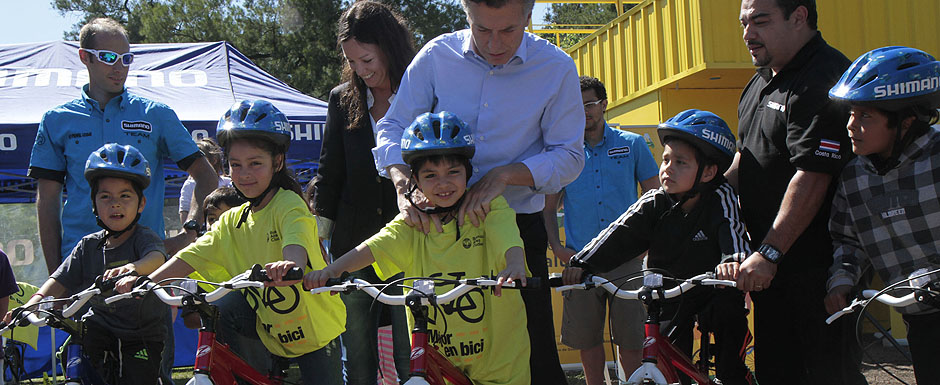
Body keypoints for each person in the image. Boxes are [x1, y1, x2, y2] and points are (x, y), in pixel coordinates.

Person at [372, 0, 584, 381]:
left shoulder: (556, 67)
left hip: (516, 230)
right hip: (436, 232)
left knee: (535, 359)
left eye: (509, 31)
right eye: (482, 29)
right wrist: (402, 183)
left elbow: (570, 155)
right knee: (440, 354)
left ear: (529, 18)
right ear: (466, 14)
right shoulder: (437, 56)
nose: (494, 44)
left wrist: (505, 176)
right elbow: (392, 126)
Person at [116, 100, 346, 385]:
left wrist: (290, 264)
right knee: (221, 303)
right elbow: (190, 256)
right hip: (271, 332)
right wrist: (146, 282)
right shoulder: (232, 220)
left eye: (255, 163)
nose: (244, 174)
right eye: (235, 165)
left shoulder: (288, 204)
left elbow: (295, 243)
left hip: (316, 334)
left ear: (277, 162)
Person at [306, 111, 531, 385]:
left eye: (453, 172)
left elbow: (508, 238)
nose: (443, 183)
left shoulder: (488, 208)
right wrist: (331, 271)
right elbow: (375, 246)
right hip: (435, 361)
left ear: (468, 172)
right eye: (431, 175)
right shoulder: (414, 221)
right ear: (415, 180)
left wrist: (514, 265)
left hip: (498, 360)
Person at [564, 110, 753, 385]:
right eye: (665, 160)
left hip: (714, 288)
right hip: (670, 292)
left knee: (729, 331)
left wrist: (733, 260)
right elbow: (617, 233)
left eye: (680, 162)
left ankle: (734, 375)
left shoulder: (720, 196)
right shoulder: (654, 201)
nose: (668, 169)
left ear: (709, 172)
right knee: (667, 360)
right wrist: (581, 263)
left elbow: (733, 233)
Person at [731, 1, 867, 383]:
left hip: (819, 271)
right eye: (744, 23)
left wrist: (770, 251)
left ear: (799, 17)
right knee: (777, 374)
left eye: (760, 21)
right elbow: (746, 159)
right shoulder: (760, 80)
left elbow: (814, 174)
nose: (748, 34)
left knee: (829, 376)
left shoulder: (825, 76)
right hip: (769, 270)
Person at [28, 17, 217, 277]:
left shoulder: (156, 114)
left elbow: (206, 175)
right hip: (80, 264)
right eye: (108, 57)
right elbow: (48, 201)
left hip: (145, 262)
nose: (119, 67)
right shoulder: (56, 120)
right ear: (84, 57)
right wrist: (57, 274)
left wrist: (189, 232)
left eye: (126, 59)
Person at [310, 2, 415, 382]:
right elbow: (329, 173)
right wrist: (321, 238)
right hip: (351, 246)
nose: (361, 70)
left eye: (367, 59)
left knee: (411, 350)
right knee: (356, 356)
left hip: (410, 241)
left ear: (390, 46)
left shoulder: (423, 92)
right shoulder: (342, 99)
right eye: (352, 62)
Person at [823, 46, 940, 384]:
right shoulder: (854, 177)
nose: (851, 125)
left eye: (865, 117)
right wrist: (842, 280)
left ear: (906, 122)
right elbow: (847, 240)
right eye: (851, 114)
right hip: (920, 319)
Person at [8, 143, 168, 385]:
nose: (115, 204)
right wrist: (32, 304)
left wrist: (132, 269)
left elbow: (156, 258)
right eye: (105, 197)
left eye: (125, 196)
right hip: (97, 330)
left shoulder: (144, 238)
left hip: (140, 336)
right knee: (74, 352)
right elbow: (59, 280)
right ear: (94, 204)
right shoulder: (88, 245)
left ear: (141, 204)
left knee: (137, 376)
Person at [542, 76, 658, 384]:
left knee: (631, 342)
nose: (584, 112)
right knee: (588, 341)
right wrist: (557, 247)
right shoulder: (565, 153)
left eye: (590, 104)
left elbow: (655, 198)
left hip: (627, 260)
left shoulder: (632, 144)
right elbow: (548, 208)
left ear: (603, 104)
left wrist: (647, 244)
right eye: (576, 106)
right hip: (581, 262)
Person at [179, 138, 231, 225]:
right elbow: (184, 210)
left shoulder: (228, 183)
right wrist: (190, 230)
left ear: (214, 160)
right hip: (199, 230)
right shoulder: (190, 184)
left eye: (202, 160)